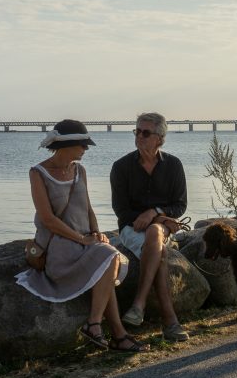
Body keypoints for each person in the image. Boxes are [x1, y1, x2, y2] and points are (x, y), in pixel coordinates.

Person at [17, 120, 147, 354]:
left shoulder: (80, 171)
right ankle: (105, 329)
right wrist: (81, 239)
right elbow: (47, 219)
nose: (86, 149)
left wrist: (96, 232)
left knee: (107, 260)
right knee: (108, 259)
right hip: (60, 248)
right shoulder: (38, 173)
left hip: (85, 241)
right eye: (83, 144)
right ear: (67, 145)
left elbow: (87, 207)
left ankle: (107, 330)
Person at [110, 113, 191, 342]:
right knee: (160, 253)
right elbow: (121, 211)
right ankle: (170, 321)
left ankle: (139, 304)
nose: (139, 136)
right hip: (131, 229)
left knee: (155, 233)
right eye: (137, 131)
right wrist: (158, 219)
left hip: (161, 228)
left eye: (145, 133)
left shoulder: (173, 165)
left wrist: (154, 213)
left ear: (160, 138)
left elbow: (180, 205)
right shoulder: (121, 167)